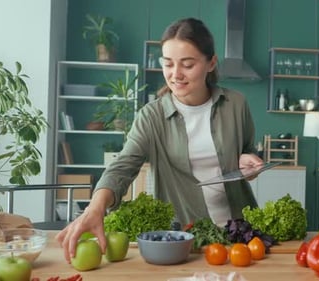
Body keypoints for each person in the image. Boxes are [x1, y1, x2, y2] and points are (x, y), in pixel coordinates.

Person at [56, 17, 263, 262]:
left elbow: (247, 151)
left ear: (211, 63)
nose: (176, 74)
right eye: (168, 64)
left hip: (243, 235)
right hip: (187, 240)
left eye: (187, 64)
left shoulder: (236, 104)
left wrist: (248, 162)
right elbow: (123, 167)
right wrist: (95, 207)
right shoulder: (151, 116)